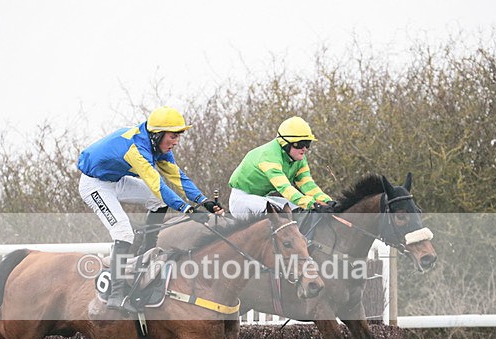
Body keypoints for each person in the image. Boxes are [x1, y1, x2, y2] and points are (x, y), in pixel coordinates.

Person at [77, 106, 224, 310]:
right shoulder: (137, 150)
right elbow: (158, 185)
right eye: (172, 136)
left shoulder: (157, 146)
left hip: (116, 180)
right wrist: (188, 210)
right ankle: (116, 295)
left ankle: (145, 255)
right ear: (157, 135)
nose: (176, 142)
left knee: (159, 202)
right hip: (94, 185)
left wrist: (202, 200)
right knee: (123, 232)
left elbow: (177, 177)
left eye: (178, 137)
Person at [228, 116, 335, 214]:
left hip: (263, 198)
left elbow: (308, 185)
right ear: (286, 144)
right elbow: (285, 188)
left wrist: (327, 201)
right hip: (241, 200)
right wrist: (312, 204)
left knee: (300, 210)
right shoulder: (269, 156)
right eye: (301, 144)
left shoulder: (299, 159)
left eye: (307, 144)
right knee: (281, 215)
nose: (305, 149)